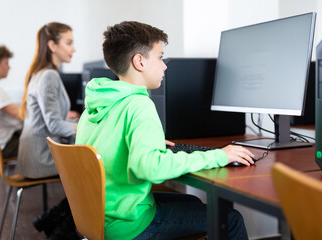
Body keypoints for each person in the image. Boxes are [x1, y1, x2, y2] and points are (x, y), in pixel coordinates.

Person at [75, 21, 255, 240]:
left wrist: (150, 144)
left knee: (193, 203)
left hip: (102, 216)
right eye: (160, 57)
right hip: (130, 225)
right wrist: (218, 155)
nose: (165, 66)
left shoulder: (95, 104)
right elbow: (150, 170)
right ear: (139, 61)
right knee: (230, 219)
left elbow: (110, 148)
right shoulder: (138, 104)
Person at [17, 22, 79, 180]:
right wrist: (85, 128)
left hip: (33, 155)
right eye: (69, 43)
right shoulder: (48, 76)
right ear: (52, 45)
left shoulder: (41, 73)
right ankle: (69, 206)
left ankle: (70, 205)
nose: (74, 49)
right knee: (93, 163)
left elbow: (49, 119)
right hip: (40, 158)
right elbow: (54, 124)